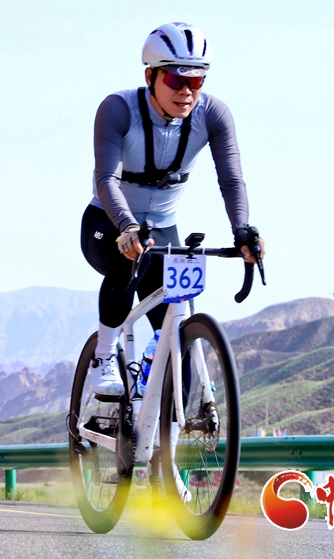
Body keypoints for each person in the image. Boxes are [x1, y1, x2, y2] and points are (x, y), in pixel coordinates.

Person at [81, 22, 265, 396]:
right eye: (176, 80)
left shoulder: (213, 114)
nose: (186, 91)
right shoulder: (118, 109)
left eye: (196, 81)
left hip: (164, 229)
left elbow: (231, 180)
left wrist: (242, 230)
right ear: (150, 76)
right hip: (108, 222)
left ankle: (163, 413)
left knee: (176, 327)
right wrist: (128, 227)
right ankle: (103, 357)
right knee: (128, 257)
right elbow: (106, 178)